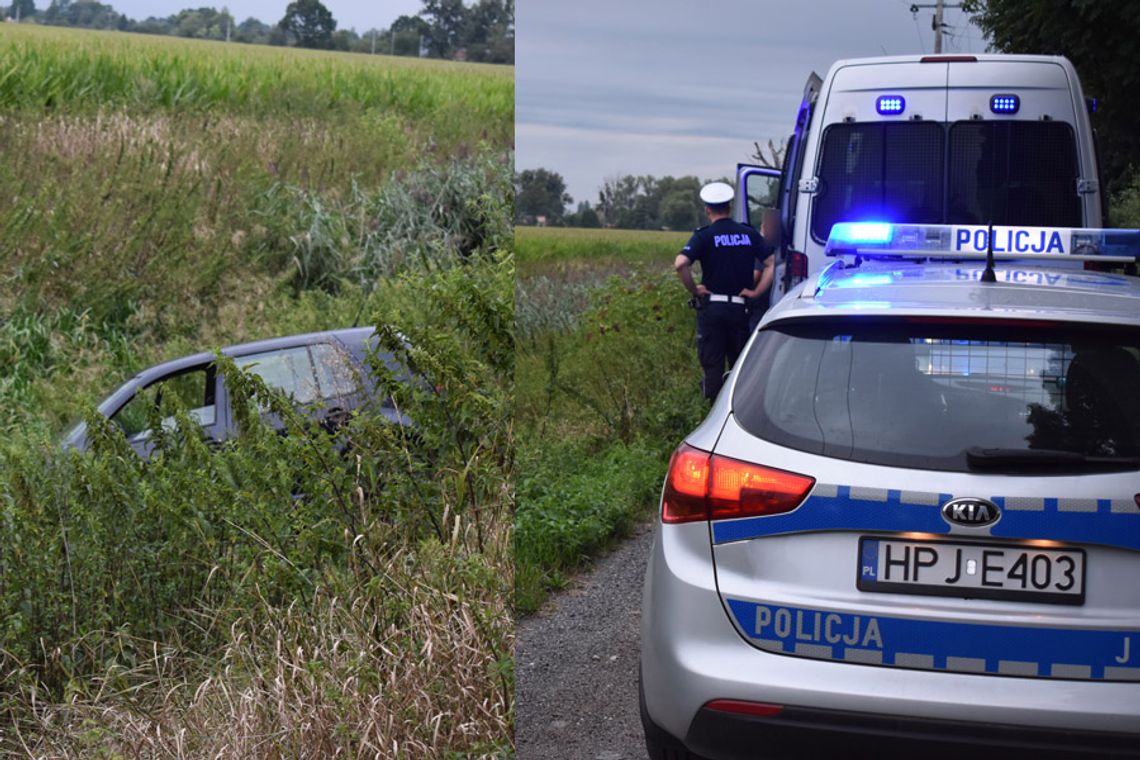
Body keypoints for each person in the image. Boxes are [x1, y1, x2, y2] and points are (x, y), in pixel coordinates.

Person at [675, 182, 774, 401]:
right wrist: (756, 292)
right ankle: (737, 410)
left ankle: (710, 414)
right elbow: (770, 262)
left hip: (712, 309)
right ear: (729, 207)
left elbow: (681, 264)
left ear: (707, 209)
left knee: (712, 367)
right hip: (740, 310)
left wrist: (695, 289)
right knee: (739, 366)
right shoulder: (747, 234)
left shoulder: (704, 235)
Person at [747, 207, 780, 332]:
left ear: (764, 226)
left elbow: (755, 276)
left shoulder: (762, 248)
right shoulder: (781, 247)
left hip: (760, 305)